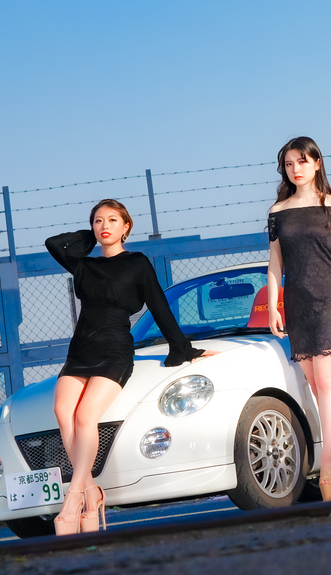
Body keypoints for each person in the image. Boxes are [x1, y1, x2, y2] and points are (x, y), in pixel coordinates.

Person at [46, 200, 211, 534]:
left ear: (126, 226)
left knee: (85, 416)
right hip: (80, 352)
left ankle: (73, 498)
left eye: (112, 220)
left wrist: (182, 347)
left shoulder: (137, 263)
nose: (104, 226)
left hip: (114, 351)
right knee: (63, 411)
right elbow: (54, 244)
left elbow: (159, 306)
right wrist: (89, 237)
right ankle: (92, 492)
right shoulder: (84, 265)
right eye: (98, 221)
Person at [266, 136, 331, 499]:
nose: (296, 169)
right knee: (317, 385)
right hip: (296, 303)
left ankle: (328, 463)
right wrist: (273, 305)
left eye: (302, 162)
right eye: (289, 164)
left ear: (317, 163)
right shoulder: (278, 211)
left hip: (327, 298)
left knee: (326, 380)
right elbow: (275, 262)